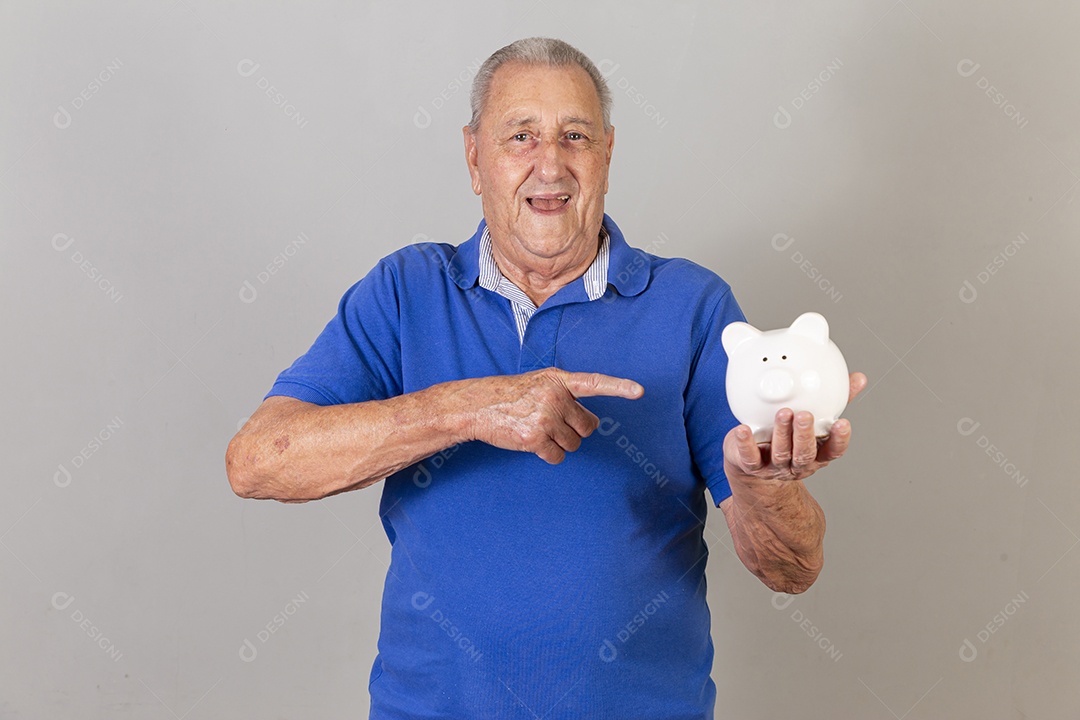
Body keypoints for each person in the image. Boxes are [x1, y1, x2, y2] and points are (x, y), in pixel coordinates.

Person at [226, 36, 867, 720]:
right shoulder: (405, 291)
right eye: (521, 137)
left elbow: (790, 570)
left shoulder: (693, 306)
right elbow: (257, 462)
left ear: (607, 154)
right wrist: (470, 408)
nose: (550, 164)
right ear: (475, 158)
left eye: (575, 136)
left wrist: (766, 488)